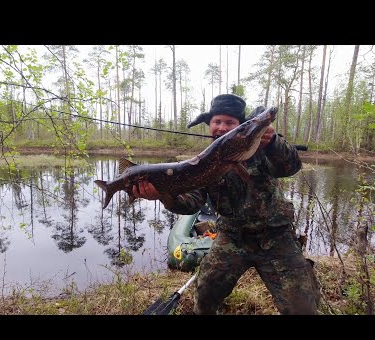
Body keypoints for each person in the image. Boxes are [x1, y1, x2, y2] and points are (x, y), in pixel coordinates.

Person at [132, 94, 320, 315]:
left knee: (303, 308)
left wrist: (274, 144)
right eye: (217, 121)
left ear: (240, 126)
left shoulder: (262, 148)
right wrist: (162, 195)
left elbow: (291, 166)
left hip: (276, 237)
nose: (222, 127)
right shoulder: (202, 161)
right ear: (209, 124)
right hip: (232, 238)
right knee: (204, 297)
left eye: (229, 122)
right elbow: (191, 203)